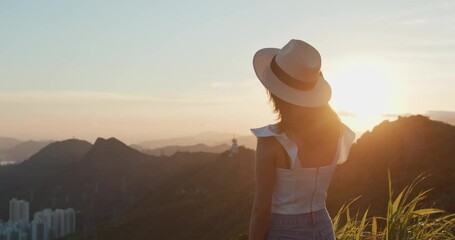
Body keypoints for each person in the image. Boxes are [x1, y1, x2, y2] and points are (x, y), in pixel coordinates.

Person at [248, 39, 356, 240]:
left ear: (276, 93)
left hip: (283, 232)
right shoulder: (339, 133)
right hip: (323, 228)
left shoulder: (271, 141)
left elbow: (261, 211)